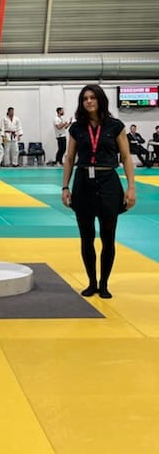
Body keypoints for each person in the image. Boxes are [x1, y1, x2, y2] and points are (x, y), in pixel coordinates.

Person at [61, 84, 135, 299]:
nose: (89, 101)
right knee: (86, 237)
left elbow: (126, 157)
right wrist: (65, 187)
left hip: (108, 183)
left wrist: (131, 187)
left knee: (108, 237)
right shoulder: (77, 128)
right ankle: (92, 282)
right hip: (83, 183)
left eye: (92, 97)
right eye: (85, 98)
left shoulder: (115, 126)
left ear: (100, 100)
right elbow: (69, 158)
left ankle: (104, 284)